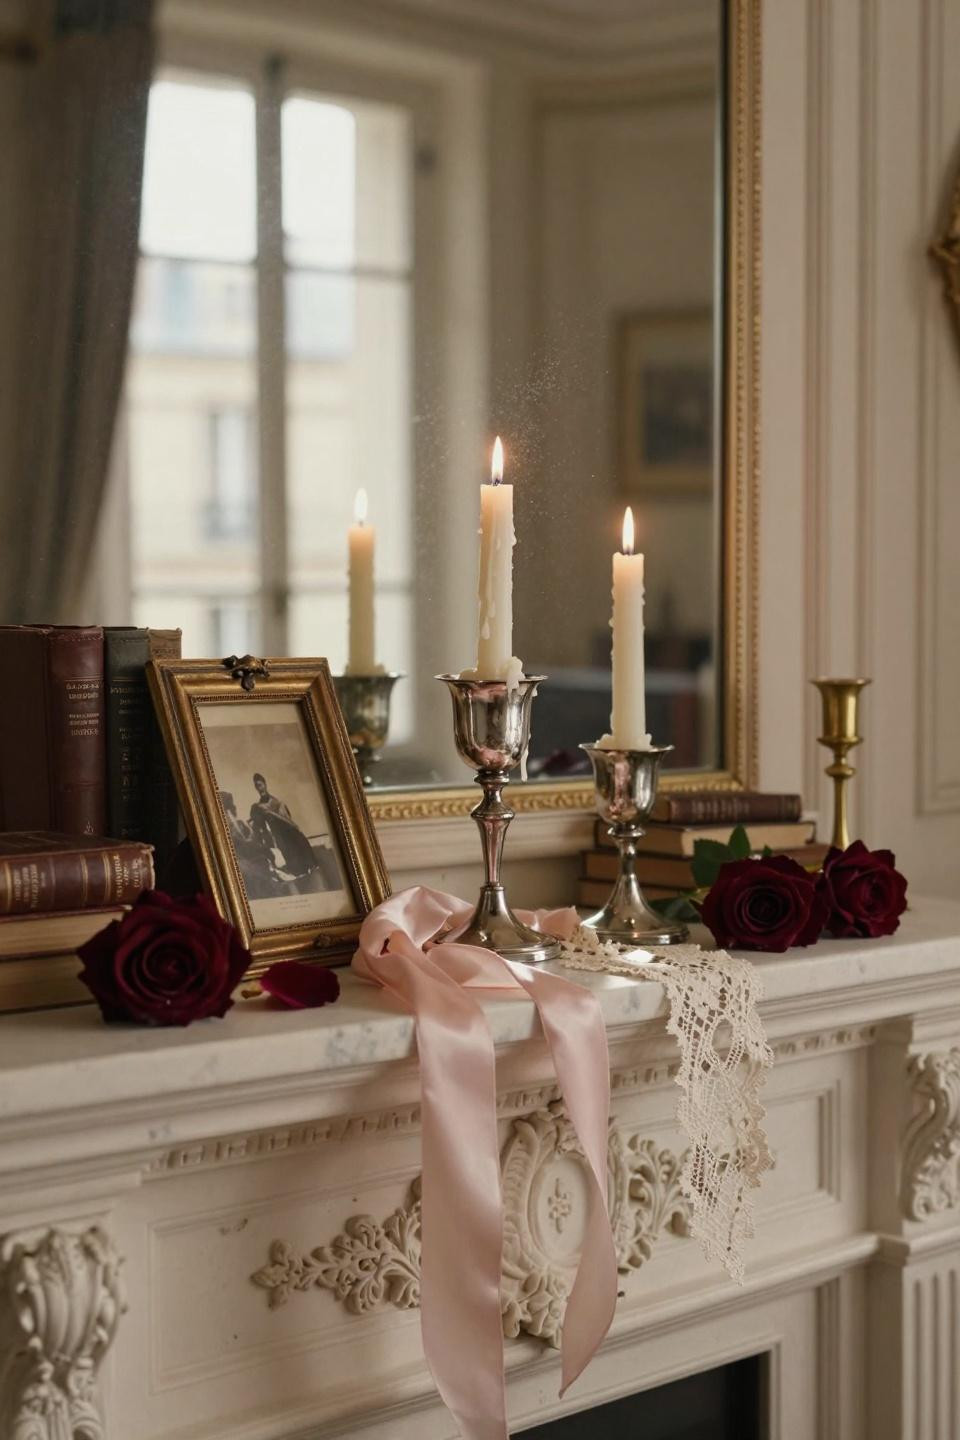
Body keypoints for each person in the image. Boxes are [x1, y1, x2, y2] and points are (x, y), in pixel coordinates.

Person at [248, 772, 339, 889]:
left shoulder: (278, 802)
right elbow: (259, 826)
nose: (259, 788)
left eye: (260, 785)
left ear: (265, 784)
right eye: (256, 786)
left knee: (307, 859)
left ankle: (314, 881)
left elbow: (288, 818)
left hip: (292, 833)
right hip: (280, 838)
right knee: (293, 866)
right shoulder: (258, 807)